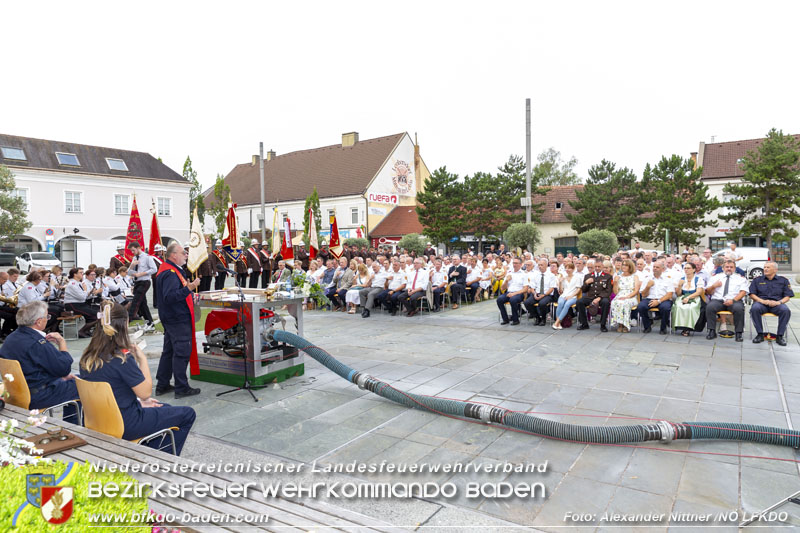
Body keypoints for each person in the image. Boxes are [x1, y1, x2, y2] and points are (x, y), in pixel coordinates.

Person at [79, 302, 196, 455]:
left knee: (163, 408)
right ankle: (160, 457)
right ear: (125, 324)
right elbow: (145, 392)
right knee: (187, 414)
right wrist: (142, 360)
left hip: (99, 419)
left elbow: (112, 392)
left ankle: (147, 452)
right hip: (125, 423)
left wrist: (140, 404)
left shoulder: (87, 357)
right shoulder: (121, 358)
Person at [0, 301, 79, 422]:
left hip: (16, 393)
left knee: (71, 379)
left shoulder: (11, 338)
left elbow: (33, 367)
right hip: (37, 395)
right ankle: (73, 425)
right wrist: (62, 343)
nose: (48, 319)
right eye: (47, 317)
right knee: (81, 384)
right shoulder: (37, 342)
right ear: (39, 321)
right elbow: (64, 369)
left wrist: (59, 378)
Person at [155, 242, 202, 398]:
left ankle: (162, 384)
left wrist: (188, 295)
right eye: (183, 253)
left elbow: (175, 294)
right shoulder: (170, 272)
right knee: (181, 351)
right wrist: (189, 288)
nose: (186, 255)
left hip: (172, 316)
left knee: (169, 351)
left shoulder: (172, 270)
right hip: (176, 317)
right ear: (173, 255)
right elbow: (170, 297)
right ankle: (181, 387)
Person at [749, 261, 793, 346]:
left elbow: (788, 296)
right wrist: (762, 301)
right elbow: (752, 294)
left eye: (768, 267)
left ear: (775, 270)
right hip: (761, 303)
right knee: (754, 309)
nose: (765, 269)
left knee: (785, 310)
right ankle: (760, 334)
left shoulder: (783, 280)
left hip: (777, 304)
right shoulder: (757, 280)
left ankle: (780, 336)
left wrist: (779, 302)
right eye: (764, 267)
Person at [705, 259, 748, 342]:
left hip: (734, 300)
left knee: (739, 309)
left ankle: (739, 333)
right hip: (718, 300)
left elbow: (743, 292)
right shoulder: (715, 277)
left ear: (735, 268)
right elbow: (708, 292)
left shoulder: (740, 279)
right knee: (710, 307)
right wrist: (714, 286)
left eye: (731, 267)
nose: (729, 269)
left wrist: (733, 300)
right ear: (723, 268)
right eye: (727, 267)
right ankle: (711, 331)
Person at [635, 261, 674, 335]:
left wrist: (658, 301)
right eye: (654, 267)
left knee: (665, 308)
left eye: (657, 267)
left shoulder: (667, 279)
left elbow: (670, 294)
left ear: (662, 269)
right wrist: (648, 286)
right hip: (649, 298)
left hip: (663, 299)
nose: (655, 269)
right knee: (641, 307)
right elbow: (643, 295)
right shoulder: (647, 278)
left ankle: (663, 328)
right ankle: (647, 326)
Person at [576, 260, 613, 331]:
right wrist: (586, 283)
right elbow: (584, 290)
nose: (597, 268)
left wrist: (599, 298)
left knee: (606, 302)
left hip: (602, 297)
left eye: (599, 266)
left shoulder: (608, 276)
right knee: (579, 302)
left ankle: (603, 325)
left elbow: (608, 290)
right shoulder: (588, 276)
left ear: (602, 267)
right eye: (595, 266)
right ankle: (584, 323)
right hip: (590, 297)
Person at [127, 242, 156, 330]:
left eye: (133, 250)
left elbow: (154, 269)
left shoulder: (147, 257)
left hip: (145, 281)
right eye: (131, 251)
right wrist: (132, 265)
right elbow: (129, 272)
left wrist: (142, 273)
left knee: (136, 301)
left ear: (138, 248)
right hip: (137, 282)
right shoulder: (134, 258)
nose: (132, 252)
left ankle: (127, 320)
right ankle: (150, 323)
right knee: (143, 304)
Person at [64, 268, 99, 338]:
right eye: (80, 273)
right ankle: (82, 331)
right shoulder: (72, 284)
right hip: (73, 305)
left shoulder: (78, 283)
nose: (82, 274)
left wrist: (90, 292)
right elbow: (82, 297)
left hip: (80, 304)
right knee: (96, 315)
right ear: (75, 274)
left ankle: (86, 330)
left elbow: (84, 296)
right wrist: (85, 290)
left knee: (97, 312)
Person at [672, 262, 705, 337]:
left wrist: (688, 297)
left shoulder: (698, 279)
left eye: (688, 268)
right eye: (685, 268)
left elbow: (699, 292)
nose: (686, 270)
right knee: (679, 306)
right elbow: (679, 294)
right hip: (683, 296)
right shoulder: (682, 279)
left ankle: (689, 327)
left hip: (694, 296)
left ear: (693, 269)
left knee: (691, 307)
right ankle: (681, 327)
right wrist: (679, 286)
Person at [610, 259, 640, 333]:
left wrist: (627, 297)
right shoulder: (618, 276)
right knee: (615, 302)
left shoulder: (635, 277)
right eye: (623, 264)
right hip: (620, 294)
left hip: (631, 295)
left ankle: (626, 325)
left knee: (625, 303)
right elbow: (615, 292)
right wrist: (616, 283)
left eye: (626, 265)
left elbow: (636, 290)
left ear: (630, 266)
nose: (624, 266)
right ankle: (620, 324)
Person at [525, 259, 558, 326]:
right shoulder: (535, 275)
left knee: (542, 303)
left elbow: (551, 288)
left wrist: (544, 295)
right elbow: (532, 287)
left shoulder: (551, 276)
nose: (540, 266)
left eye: (542, 265)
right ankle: (537, 317)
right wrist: (534, 294)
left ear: (546, 265)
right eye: (539, 265)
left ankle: (543, 319)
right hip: (537, 293)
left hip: (547, 294)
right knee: (527, 303)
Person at [497, 257, 528, 326]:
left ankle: (515, 319)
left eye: (516, 263)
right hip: (509, 292)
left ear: (520, 264)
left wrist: (514, 294)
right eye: (513, 263)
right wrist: (506, 280)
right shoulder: (509, 273)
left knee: (513, 300)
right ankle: (505, 318)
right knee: (499, 299)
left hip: (519, 293)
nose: (514, 265)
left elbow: (525, 289)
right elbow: (502, 288)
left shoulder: (524, 274)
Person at [552, 262, 582, 330]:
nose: (567, 270)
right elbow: (560, 291)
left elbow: (578, 290)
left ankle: (556, 322)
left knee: (567, 304)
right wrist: (560, 282)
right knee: (560, 303)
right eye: (566, 268)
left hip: (573, 296)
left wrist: (571, 296)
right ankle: (558, 323)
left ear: (573, 269)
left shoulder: (577, 278)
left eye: (569, 268)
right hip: (564, 295)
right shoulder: (563, 278)